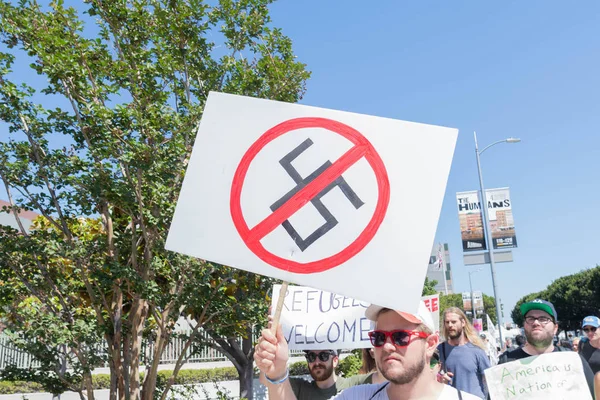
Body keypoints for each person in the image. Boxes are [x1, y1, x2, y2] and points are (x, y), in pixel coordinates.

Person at [255, 301, 481, 399]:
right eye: (379, 337)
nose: (388, 346)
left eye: (401, 336)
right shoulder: (356, 397)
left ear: (430, 344)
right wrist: (277, 374)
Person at [498, 299, 595, 396]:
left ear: (555, 328)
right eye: (530, 318)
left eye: (543, 319)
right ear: (524, 325)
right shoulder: (506, 362)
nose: (536, 323)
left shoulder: (574, 361)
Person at [257, 347, 368, 400]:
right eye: (311, 357)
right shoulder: (300, 387)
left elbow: (382, 380)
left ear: (335, 361)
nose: (317, 362)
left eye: (323, 356)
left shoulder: (353, 385)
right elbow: (266, 379)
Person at [437, 307, 490, 399]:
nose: (450, 325)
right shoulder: (439, 350)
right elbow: (429, 379)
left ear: (463, 323)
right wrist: (440, 379)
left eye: (453, 322)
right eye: (447, 322)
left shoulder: (476, 350)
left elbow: (489, 379)